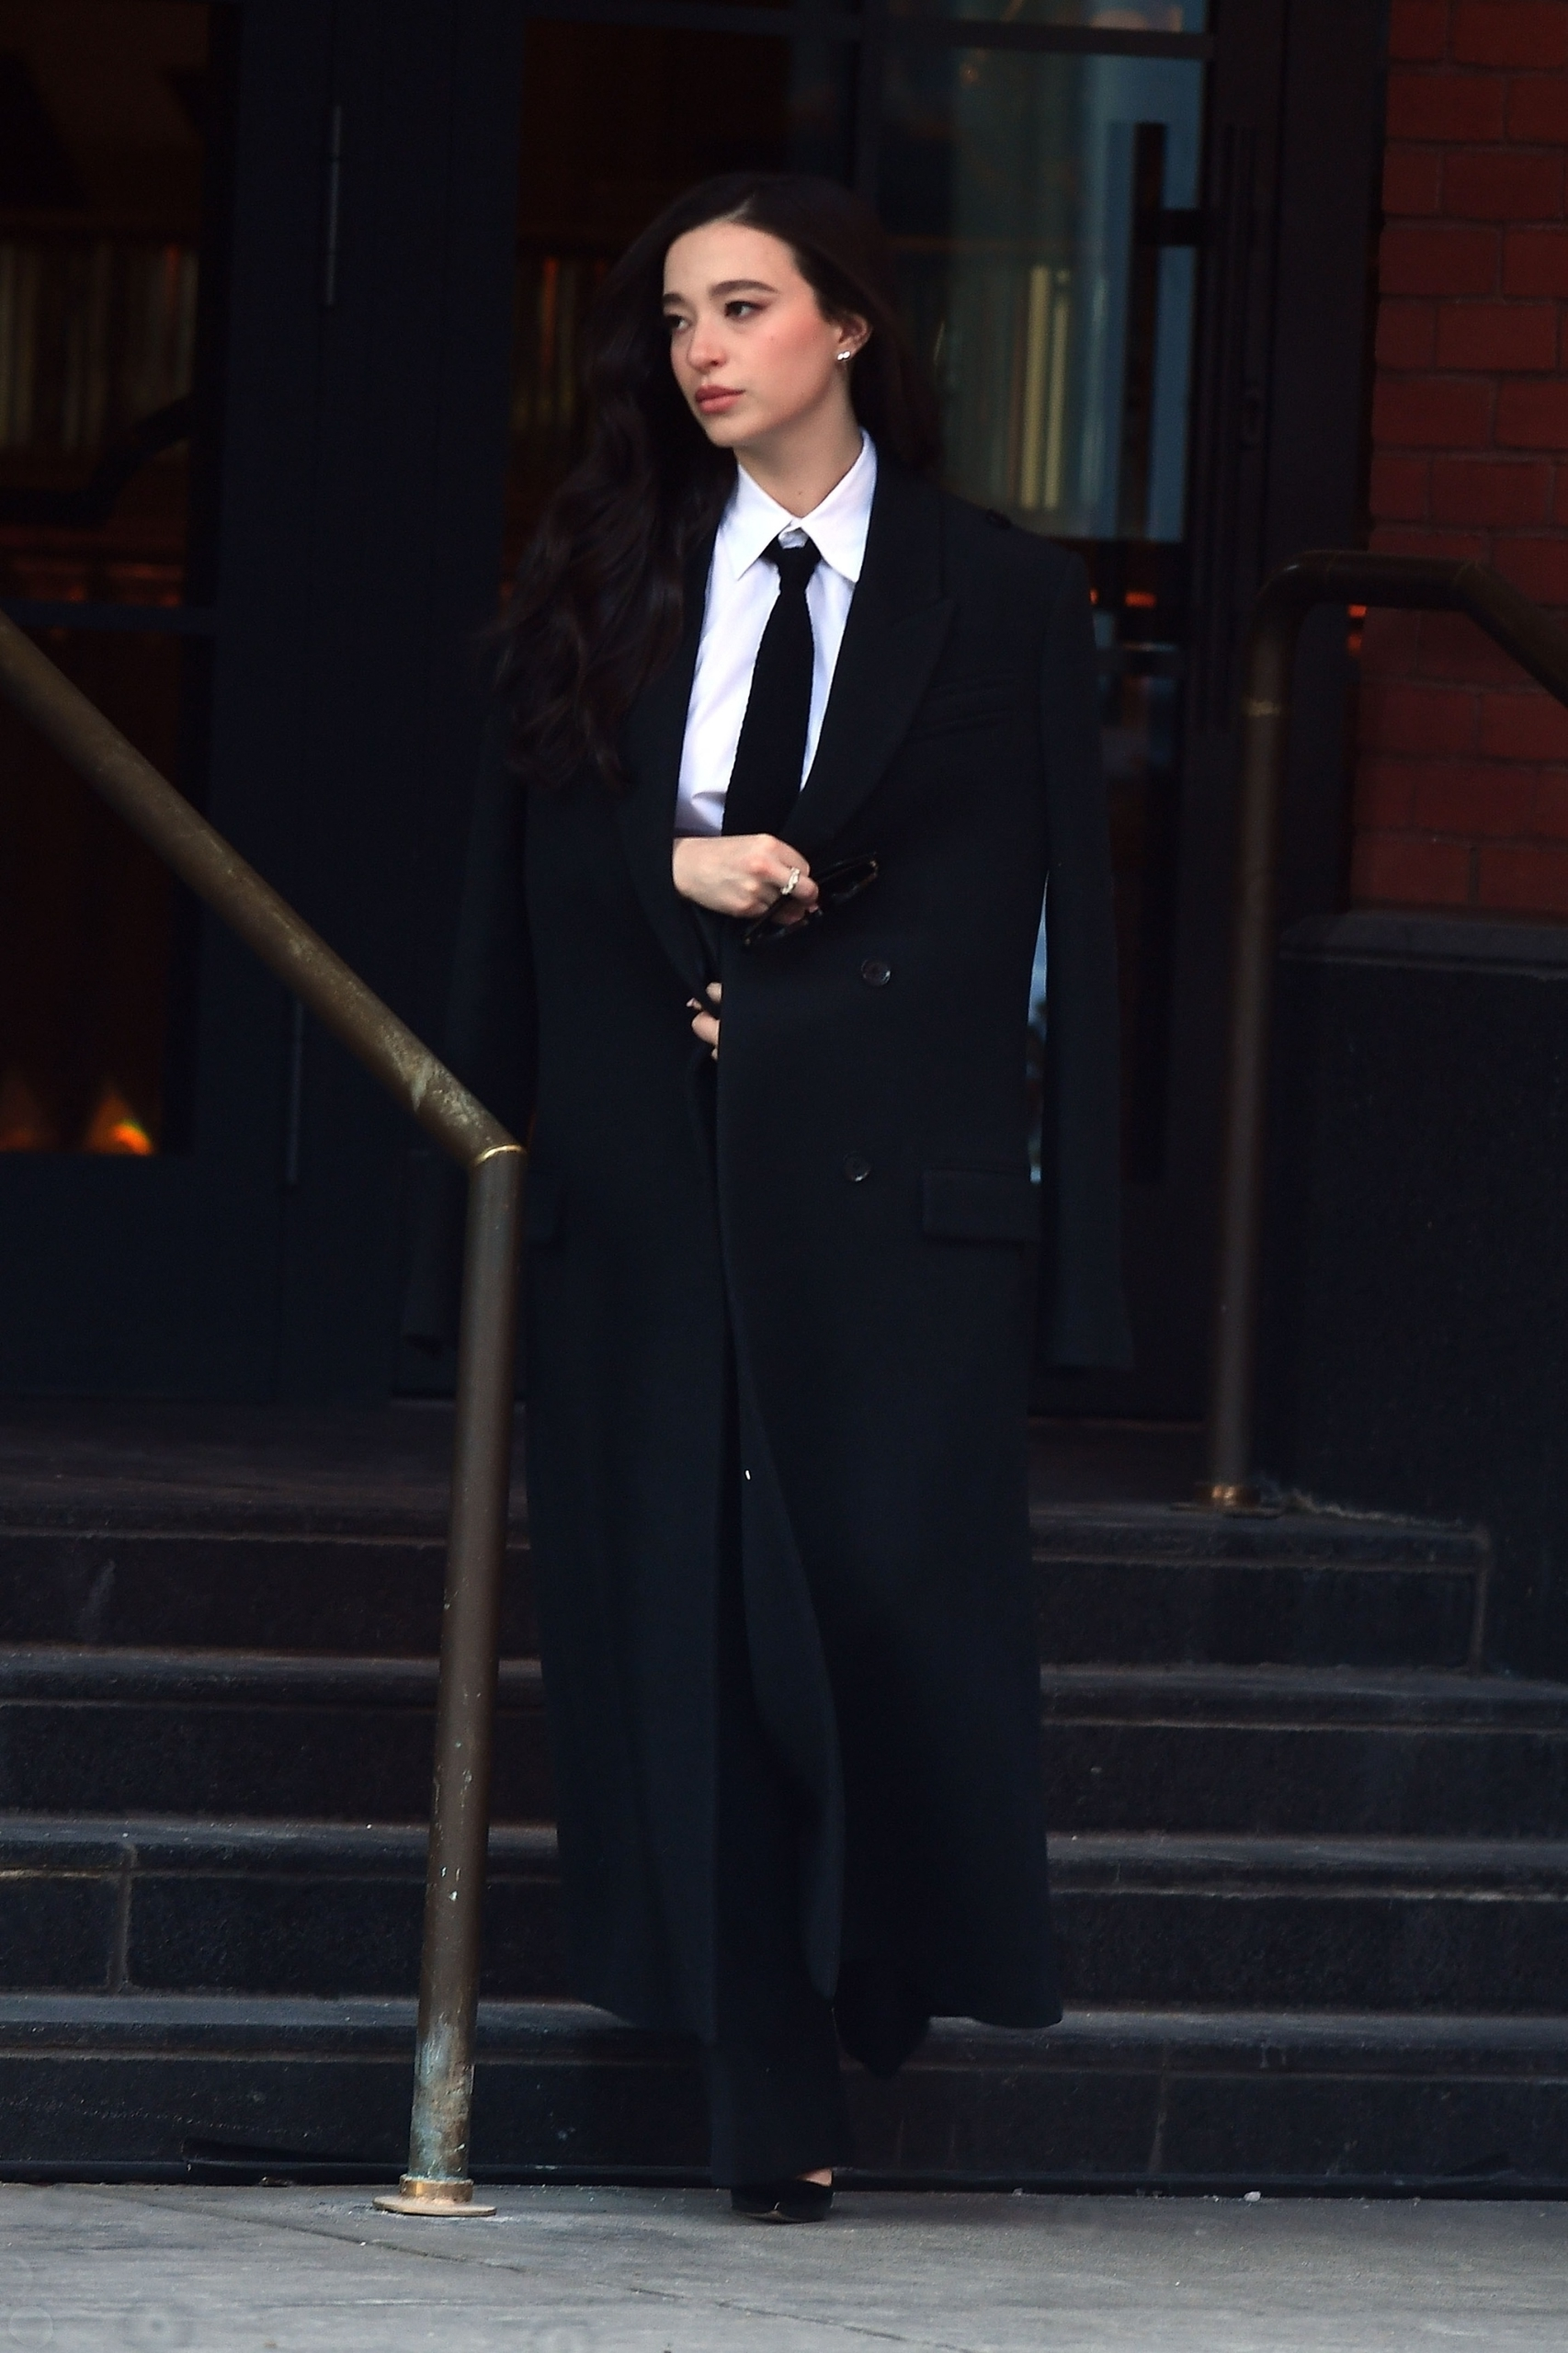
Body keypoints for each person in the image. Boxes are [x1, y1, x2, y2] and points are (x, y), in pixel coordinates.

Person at [407, 172, 1130, 2222]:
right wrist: (672, 872)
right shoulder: (611, 571)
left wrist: (1055, 1247)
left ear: (850, 327)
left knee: (872, 1617)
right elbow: (520, 893)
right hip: (646, 1193)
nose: (700, 350)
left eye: (740, 306)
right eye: (675, 318)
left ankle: (858, 1986)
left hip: (891, 1214)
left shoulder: (1000, 594)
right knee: (688, 1631)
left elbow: (1025, 914)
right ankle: (768, 2080)